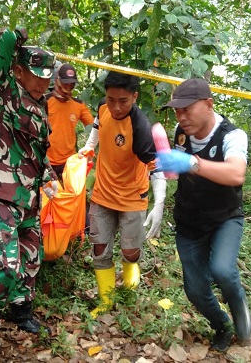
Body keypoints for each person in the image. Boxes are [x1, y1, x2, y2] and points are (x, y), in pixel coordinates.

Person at [0, 27, 58, 360]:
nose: (43, 82)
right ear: (19, 71)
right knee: (4, 265)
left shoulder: (41, 104)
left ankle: (20, 310)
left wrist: (48, 176)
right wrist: (12, 37)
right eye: (36, 76)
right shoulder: (3, 95)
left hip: (27, 197)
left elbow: (33, 150)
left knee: (32, 257)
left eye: (46, 77)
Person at [156, 78, 251, 352]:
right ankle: (221, 325)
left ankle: (240, 310)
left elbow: (236, 173)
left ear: (209, 105)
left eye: (187, 109)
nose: (181, 116)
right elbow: (171, 171)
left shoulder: (232, 135)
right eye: (177, 110)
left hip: (225, 217)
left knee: (223, 270)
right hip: (189, 220)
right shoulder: (180, 132)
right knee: (195, 290)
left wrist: (192, 162)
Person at [78, 71, 166, 318]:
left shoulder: (140, 128)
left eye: (123, 101)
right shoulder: (103, 107)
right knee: (99, 249)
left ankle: (129, 289)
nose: (115, 107)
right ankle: (106, 300)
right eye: (110, 99)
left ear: (135, 97)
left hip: (132, 198)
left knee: (130, 251)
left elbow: (156, 168)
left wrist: (159, 202)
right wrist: (89, 146)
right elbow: (98, 123)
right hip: (103, 195)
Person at [46, 63, 94, 178]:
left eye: (71, 84)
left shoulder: (78, 105)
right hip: (46, 162)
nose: (68, 86)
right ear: (57, 80)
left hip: (69, 162)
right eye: (65, 83)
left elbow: (94, 127)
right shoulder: (45, 101)